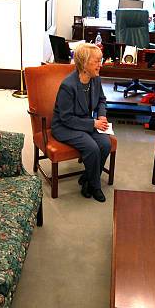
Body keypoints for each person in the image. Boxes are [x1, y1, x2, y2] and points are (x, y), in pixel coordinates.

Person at [51, 43, 110, 202]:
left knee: (105, 144)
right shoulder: (68, 86)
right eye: (97, 61)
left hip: (84, 122)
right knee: (92, 147)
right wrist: (93, 124)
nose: (100, 65)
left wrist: (102, 116)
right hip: (64, 127)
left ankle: (87, 178)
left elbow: (102, 100)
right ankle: (95, 186)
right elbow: (66, 118)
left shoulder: (95, 79)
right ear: (84, 64)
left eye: (100, 60)